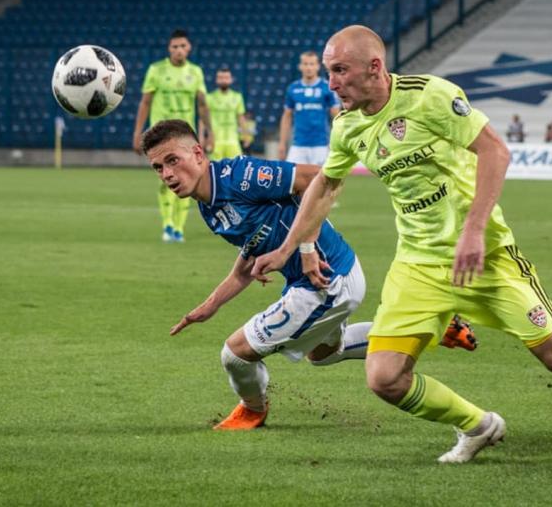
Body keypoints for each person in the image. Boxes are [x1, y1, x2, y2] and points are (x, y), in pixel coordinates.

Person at [252, 25, 552, 466]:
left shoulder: (429, 95)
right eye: (327, 72)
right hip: (418, 265)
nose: (331, 82)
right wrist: (286, 249)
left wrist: (473, 230)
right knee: (385, 378)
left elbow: (495, 152)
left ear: (374, 67)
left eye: (339, 70)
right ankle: (478, 426)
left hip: (486, 256)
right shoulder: (347, 125)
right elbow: (325, 185)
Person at [143, 119, 477, 430]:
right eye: (158, 167)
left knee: (235, 354)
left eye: (172, 160)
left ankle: (253, 409)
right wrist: (210, 305)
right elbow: (249, 256)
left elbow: (318, 179)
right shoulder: (208, 206)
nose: (166, 174)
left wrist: (305, 250)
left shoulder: (239, 176)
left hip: (324, 280)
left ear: (198, 153)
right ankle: (429, 327)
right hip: (327, 278)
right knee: (324, 353)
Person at [133, 29, 211, 243]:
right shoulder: (156, 70)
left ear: (189, 48)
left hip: (185, 137)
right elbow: (145, 102)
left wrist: (209, 133)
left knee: (189, 179)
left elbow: (203, 105)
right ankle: (167, 224)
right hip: (161, 137)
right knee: (164, 179)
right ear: (169, 49)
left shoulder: (195, 72)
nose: (179, 50)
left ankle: (179, 228)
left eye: (182, 46)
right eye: (175, 46)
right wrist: (137, 132)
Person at [279, 51, 341, 165]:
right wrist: (282, 143)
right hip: (298, 145)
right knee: (292, 180)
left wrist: (338, 142)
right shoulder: (293, 88)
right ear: (300, 66)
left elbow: (337, 117)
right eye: (305, 64)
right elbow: (286, 117)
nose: (308, 67)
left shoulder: (327, 87)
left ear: (317, 66)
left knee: (325, 181)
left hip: (321, 145)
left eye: (312, 64)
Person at [202, 66, 247, 161]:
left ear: (231, 80)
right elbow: (203, 120)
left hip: (233, 141)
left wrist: (245, 136)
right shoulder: (209, 98)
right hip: (215, 141)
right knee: (215, 172)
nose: (223, 80)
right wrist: (202, 137)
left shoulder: (237, 97)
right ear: (216, 80)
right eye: (221, 78)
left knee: (236, 170)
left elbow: (241, 118)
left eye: (226, 78)